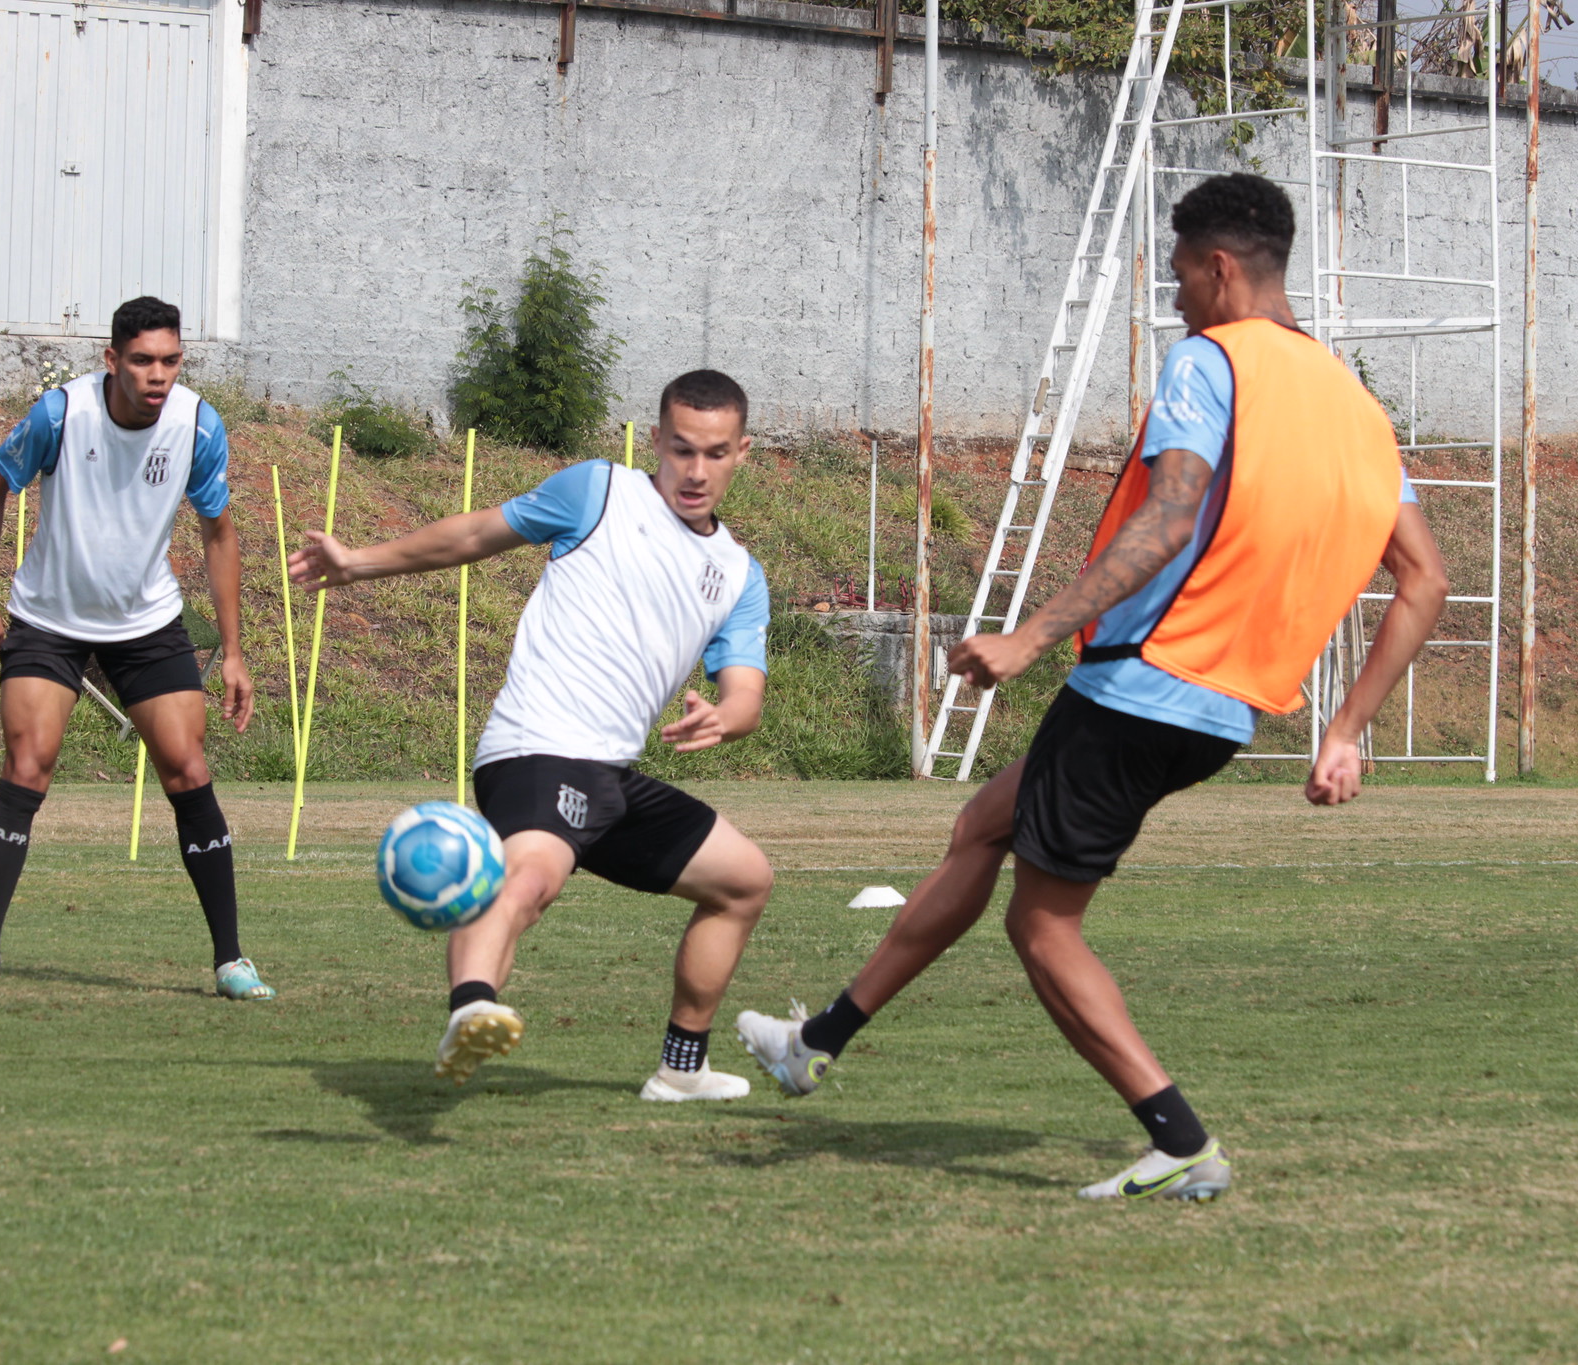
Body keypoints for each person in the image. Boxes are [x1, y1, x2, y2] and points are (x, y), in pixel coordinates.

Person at [736, 174, 1449, 1201]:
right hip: (1223, 714)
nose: (1172, 301)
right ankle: (816, 1044)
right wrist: (1343, 728)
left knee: (1041, 927)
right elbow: (1424, 578)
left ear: (1217, 269)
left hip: (1143, 688)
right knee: (984, 824)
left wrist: (1030, 634)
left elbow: (1165, 520)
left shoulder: (1212, 361)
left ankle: (1179, 1140)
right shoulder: (1357, 410)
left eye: (1176, 279)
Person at [290, 370, 775, 1102]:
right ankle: (472, 1005)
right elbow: (477, 533)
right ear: (656, 441)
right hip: (537, 746)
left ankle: (681, 1067)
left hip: (610, 773)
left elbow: (746, 694)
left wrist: (725, 716)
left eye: (714, 453)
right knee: (532, 876)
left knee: (743, 880)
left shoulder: (738, 574)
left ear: (743, 451)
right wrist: (358, 561)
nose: (696, 471)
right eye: (681, 450)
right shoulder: (600, 492)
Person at [0, 296, 274, 1004]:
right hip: (49, 619)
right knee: (27, 766)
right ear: (112, 359)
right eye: (142, 360)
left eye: (170, 360)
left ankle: (232, 959)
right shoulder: (61, 414)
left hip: (147, 621)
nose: (158, 375)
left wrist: (235, 650)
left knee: (188, 768)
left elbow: (219, 531)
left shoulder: (198, 425)